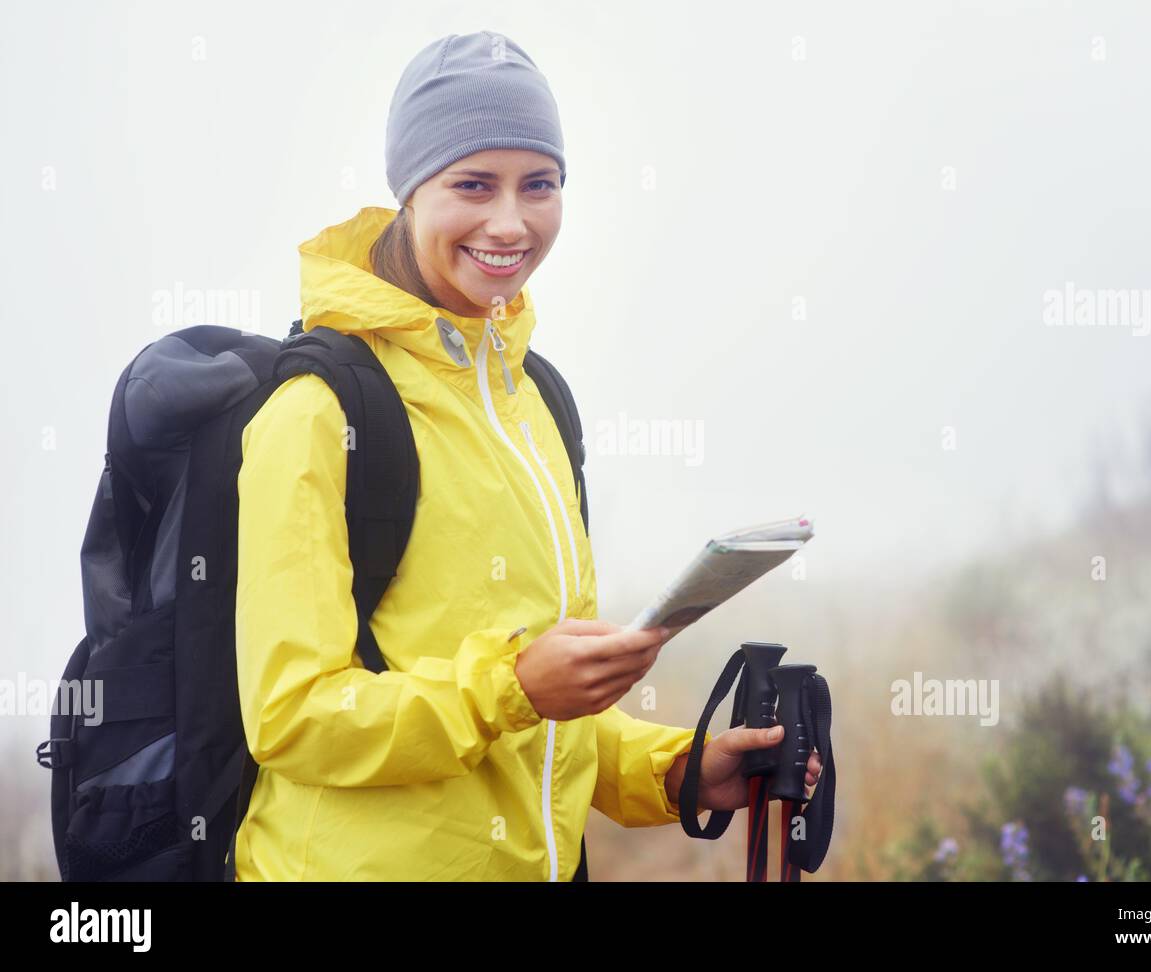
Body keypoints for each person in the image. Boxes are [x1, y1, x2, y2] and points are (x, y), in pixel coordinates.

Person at [231, 29, 821, 881]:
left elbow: (543, 717)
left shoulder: (535, 401)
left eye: (538, 185)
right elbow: (291, 717)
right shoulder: (317, 411)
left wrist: (673, 769)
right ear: (409, 193)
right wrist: (509, 688)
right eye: (473, 184)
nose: (510, 222)